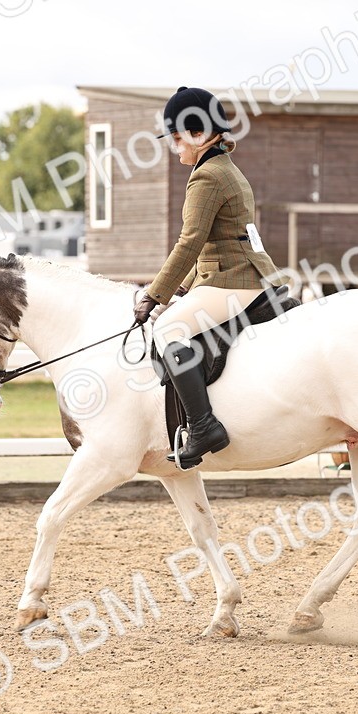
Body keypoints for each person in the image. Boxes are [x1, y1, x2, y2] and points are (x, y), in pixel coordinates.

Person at [131, 86, 288, 467]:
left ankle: (203, 427)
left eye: (178, 137)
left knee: (168, 330)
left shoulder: (207, 177)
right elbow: (213, 245)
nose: (174, 146)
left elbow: (190, 242)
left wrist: (154, 296)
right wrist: (183, 288)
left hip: (235, 282)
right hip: (239, 274)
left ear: (199, 134)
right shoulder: (223, 169)